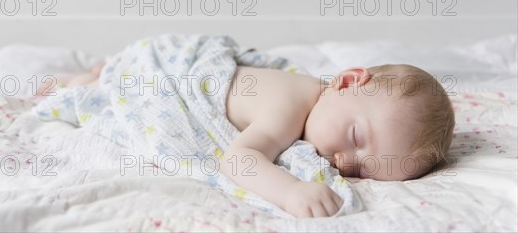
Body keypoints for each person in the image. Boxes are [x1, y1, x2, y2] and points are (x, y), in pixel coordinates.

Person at [57, 62, 455, 219]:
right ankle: (89, 78)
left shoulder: (323, 102)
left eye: (368, 169)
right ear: (348, 81)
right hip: (171, 74)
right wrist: (291, 191)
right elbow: (238, 159)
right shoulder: (287, 109)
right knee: (110, 90)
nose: (346, 162)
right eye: (355, 138)